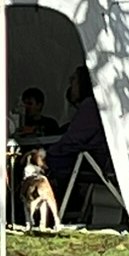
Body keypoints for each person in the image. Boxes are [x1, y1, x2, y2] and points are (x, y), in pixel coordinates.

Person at [37, 65, 109, 198]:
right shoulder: (95, 105)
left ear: (84, 83)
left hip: (88, 161)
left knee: (37, 163)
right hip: (92, 158)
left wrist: (47, 152)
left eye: (74, 80)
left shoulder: (90, 106)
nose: (71, 84)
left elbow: (74, 139)